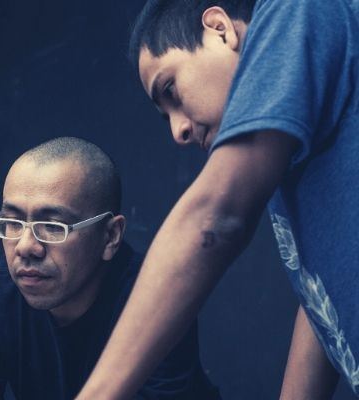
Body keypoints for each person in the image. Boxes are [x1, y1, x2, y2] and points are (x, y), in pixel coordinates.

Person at [76, 0, 359, 399]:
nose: (178, 131)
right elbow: (318, 297)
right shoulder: (288, 160)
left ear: (219, 27)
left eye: (170, 89)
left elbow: (215, 219)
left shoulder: (295, 10)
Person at [0, 137, 220, 399]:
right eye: (13, 223)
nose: (25, 246)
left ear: (110, 236)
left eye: (53, 227)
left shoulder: (157, 301)